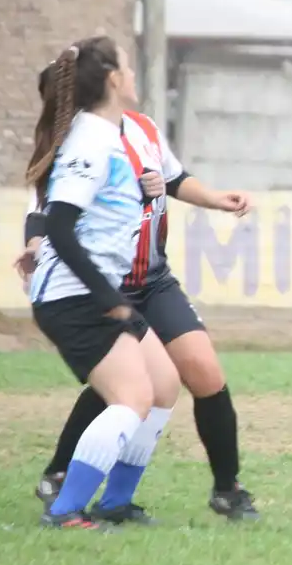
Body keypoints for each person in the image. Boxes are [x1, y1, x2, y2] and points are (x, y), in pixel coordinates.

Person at [20, 63, 260, 522]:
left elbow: (171, 178)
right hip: (103, 285)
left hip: (151, 277)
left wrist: (215, 199)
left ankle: (225, 488)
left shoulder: (142, 129)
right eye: (124, 66)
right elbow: (46, 213)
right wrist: (33, 246)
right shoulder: (76, 145)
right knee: (127, 387)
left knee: (197, 372)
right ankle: (62, 478)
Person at [26, 37, 183, 529]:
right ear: (113, 79)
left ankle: (115, 502)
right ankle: (67, 508)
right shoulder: (92, 139)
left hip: (91, 292)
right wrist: (107, 297)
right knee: (132, 397)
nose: (133, 75)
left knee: (163, 385)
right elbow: (59, 224)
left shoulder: (108, 136)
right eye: (129, 67)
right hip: (72, 297)